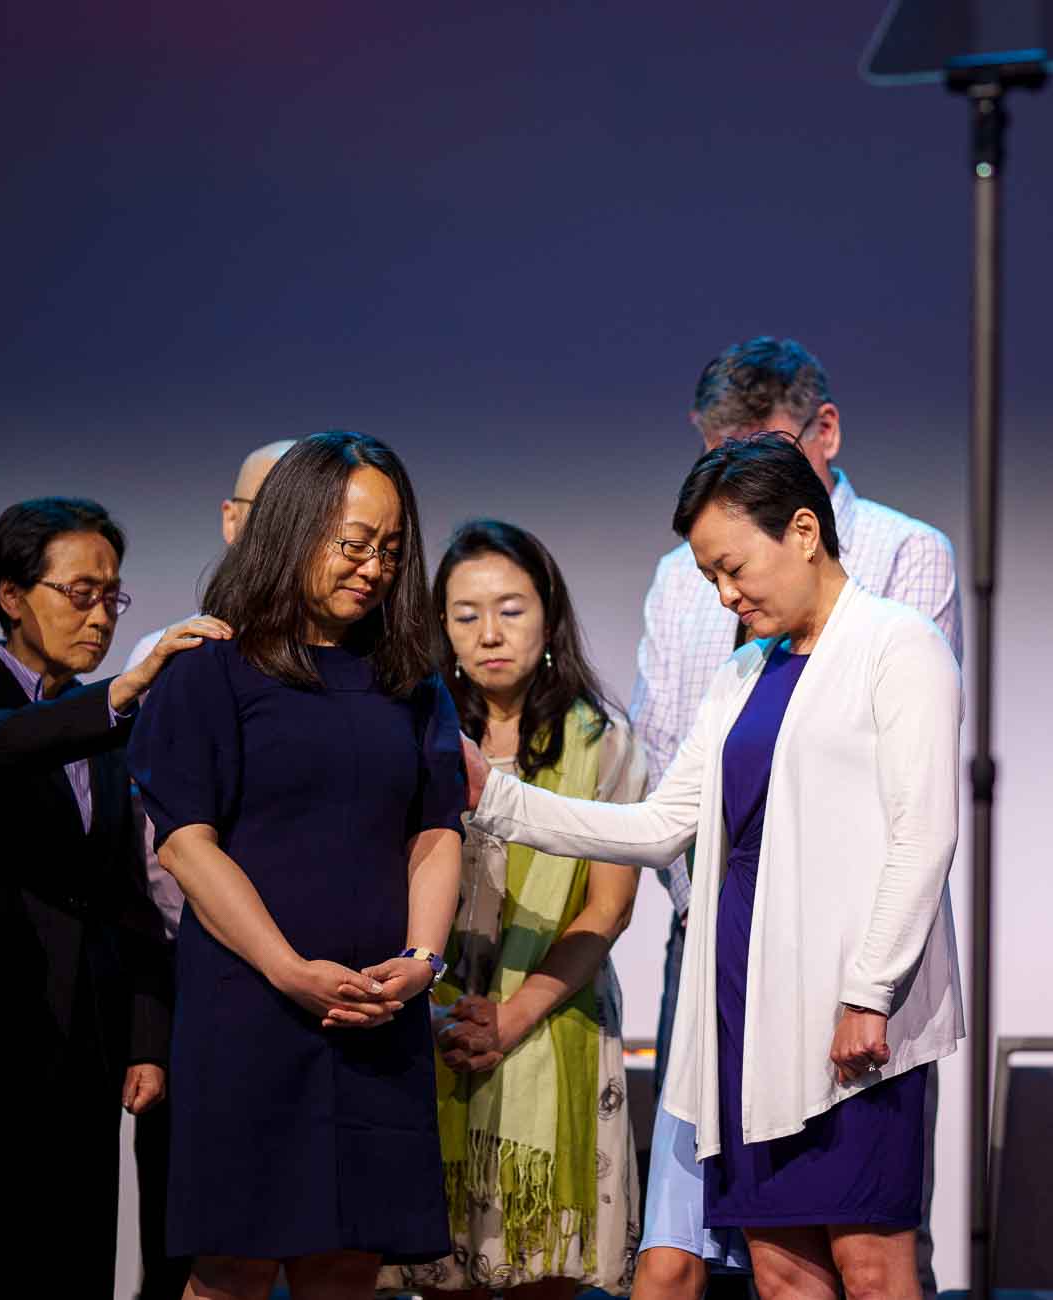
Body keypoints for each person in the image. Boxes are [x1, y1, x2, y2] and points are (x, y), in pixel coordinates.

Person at [470, 436, 964, 1300]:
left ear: (804, 531)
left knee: (873, 1262)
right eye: (711, 580)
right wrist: (498, 799)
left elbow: (921, 833)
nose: (727, 595)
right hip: (745, 1001)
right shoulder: (742, 673)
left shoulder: (898, 644)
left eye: (734, 568)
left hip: (850, 1006)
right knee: (779, 1268)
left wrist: (870, 991)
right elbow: (663, 825)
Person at [630, 336, 959, 1299]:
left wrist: (865, 978)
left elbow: (908, 803)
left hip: (852, 959)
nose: (730, 474)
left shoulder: (903, 563)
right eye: (712, 450)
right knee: (746, 1258)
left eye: (757, 446)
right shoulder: (688, 592)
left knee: (875, 1249)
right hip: (721, 946)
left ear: (823, 433)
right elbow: (669, 784)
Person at [128, 431, 465, 1300]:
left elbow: (434, 832)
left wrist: (422, 962)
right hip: (248, 1006)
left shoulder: (411, 681)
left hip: (375, 1008)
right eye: (354, 543)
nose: (374, 567)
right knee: (233, 1262)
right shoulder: (210, 668)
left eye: (391, 549)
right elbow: (185, 842)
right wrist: (286, 968)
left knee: (350, 1259)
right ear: (289, 529)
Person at [385, 520, 647, 1298]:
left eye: (511, 608)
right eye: (465, 615)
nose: (489, 633)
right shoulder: (409, 733)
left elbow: (608, 909)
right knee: (437, 1272)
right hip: (428, 1021)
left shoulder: (604, 742)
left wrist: (513, 1015)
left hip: (555, 1018)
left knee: (543, 1275)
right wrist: (440, 1011)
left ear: (549, 616)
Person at [0, 497, 228, 1297]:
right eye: (78, 593)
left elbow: (130, 893)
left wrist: (147, 1037)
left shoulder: (110, 730)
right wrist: (123, 694)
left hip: (84, 1034)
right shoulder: (4, 703)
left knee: (79, 1250)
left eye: (111, 597)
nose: (100, 617)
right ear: (13, 596)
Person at [120, 436, 294, 1300]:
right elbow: (156, 857)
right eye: (279, 512)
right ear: (235, 523)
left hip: (327, 995)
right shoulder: (181, 658)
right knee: (198, 1255)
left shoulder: (367, 669)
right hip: (200, 992)